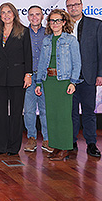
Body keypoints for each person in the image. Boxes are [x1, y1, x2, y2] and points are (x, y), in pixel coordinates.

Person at [34, 9, 81, 161]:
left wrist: (73, 82)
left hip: (64, 82)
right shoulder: (47, 40)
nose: (55, 24)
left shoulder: (71, 40)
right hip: (49, 82)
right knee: (51, 116)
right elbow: (42, 63)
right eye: (52, 21)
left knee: (64, 116)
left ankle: (65, 148)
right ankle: (55, 146)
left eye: (58, 20)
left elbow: (77, 62)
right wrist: (39, 82)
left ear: (64, 22)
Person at [66, 0, 102, 158]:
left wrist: (101, 73)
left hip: (89, 76)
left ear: (82, 6)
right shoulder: (63, 25)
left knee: (89, 112)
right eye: (70, 6)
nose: (73, 8)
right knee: (71, 112)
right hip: (68, 78)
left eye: (76, 5)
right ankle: (71, 142)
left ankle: (91, 143)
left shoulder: (96, 24)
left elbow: (101, 51)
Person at [0, 2, 33, 156]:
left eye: (9, 12)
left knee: (16, 113)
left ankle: (13, 147)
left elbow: (28, 54)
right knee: (0, 113)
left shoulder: (23, 32)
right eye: (3, 12)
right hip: (0, 78)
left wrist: (28, 74)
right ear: (0, 16)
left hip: (18, 77)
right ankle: (0, 146)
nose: (6, 15)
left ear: (15, 14)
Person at [23, 6, 51, 153]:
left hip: (45, 77)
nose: (34, 17)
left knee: (45, 109)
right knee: (29, 110)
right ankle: (32, 138)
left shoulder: (49, 32)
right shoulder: (22, 33)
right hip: (28, 76)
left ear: (42, 16)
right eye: (31, 15)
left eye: (37, 14)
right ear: (28, 17)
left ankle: (47, 139)